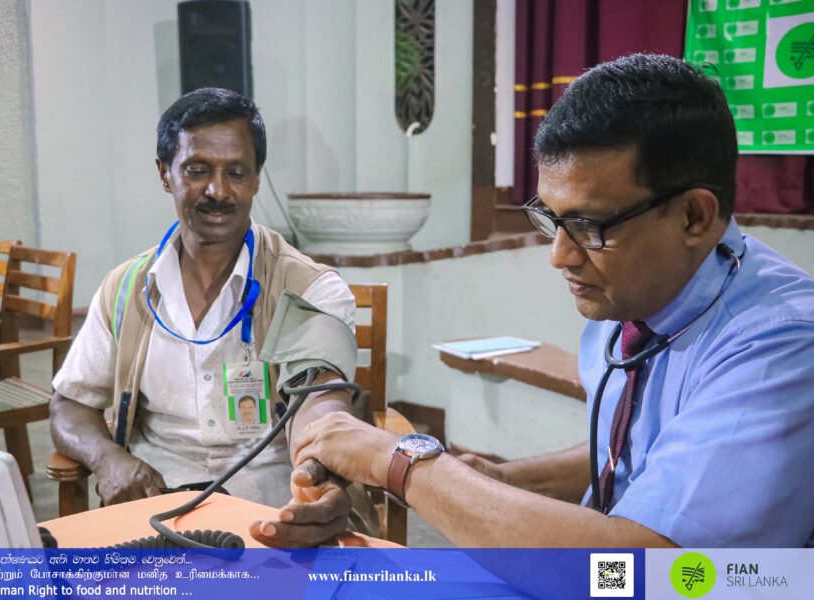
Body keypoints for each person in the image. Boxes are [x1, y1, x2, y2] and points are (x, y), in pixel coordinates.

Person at [288, 53, 814, 548]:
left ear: (694, 217)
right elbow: (642, 454)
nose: (559, 257)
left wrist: (403, 463)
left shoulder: (780, 347)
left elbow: (638, 573)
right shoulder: (631, 298)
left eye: (586, 225)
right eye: (552, 220)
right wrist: (508, 481)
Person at [50, 88, 359, 547]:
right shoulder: (126, 288)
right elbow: (69, 403)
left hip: (272, 512)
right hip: (153, 513)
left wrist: (318, 467)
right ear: (165, 173)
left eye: (237, 172)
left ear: (256, 179)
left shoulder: (311, 289)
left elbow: (321, 406)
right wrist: (107, 458)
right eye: (197, 170)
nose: (218, 191)